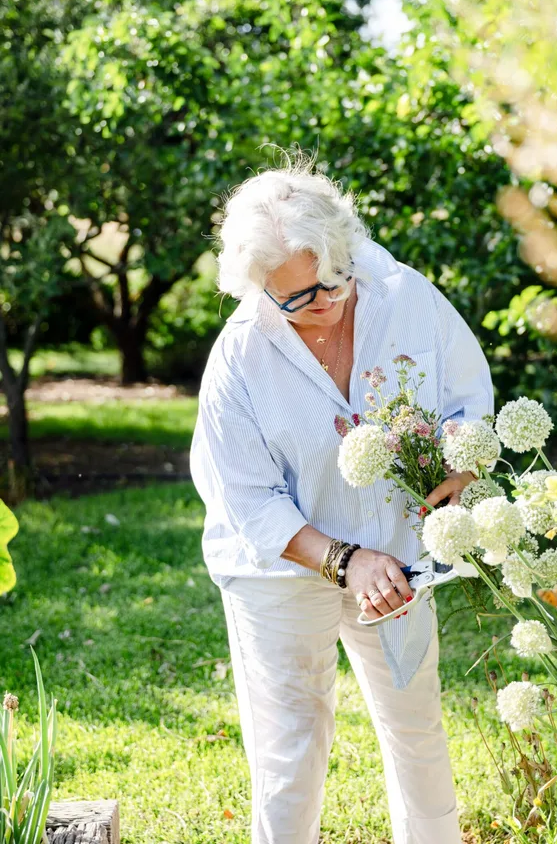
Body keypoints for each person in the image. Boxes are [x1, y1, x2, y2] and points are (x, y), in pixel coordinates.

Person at [190, 155, 494, 844]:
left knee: (416, 726)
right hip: (278, 570)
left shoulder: (404, 295)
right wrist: (344, 560)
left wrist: (461, 459)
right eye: (297, 297)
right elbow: (250, 499)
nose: (325, 302)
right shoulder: (239, 357)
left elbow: (468, 393)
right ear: (259, 290)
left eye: (334, 279)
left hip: (399, 558)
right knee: (289, 751)